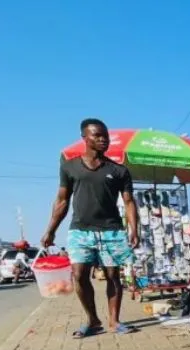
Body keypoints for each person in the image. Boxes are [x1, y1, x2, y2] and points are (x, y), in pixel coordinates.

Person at [42, 118, 139, 337]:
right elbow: (62, 201)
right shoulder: (70, 167)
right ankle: (93, 320)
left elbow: (129, 202)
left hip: (111, 230)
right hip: (80, 229)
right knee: (79, 274)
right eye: (97, 135)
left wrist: (134, 229)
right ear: (85, 138)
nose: (103, 139)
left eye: (105, 135)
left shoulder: (119, 171)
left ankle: (114, 321)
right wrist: (50, 230)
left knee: (113, 275)